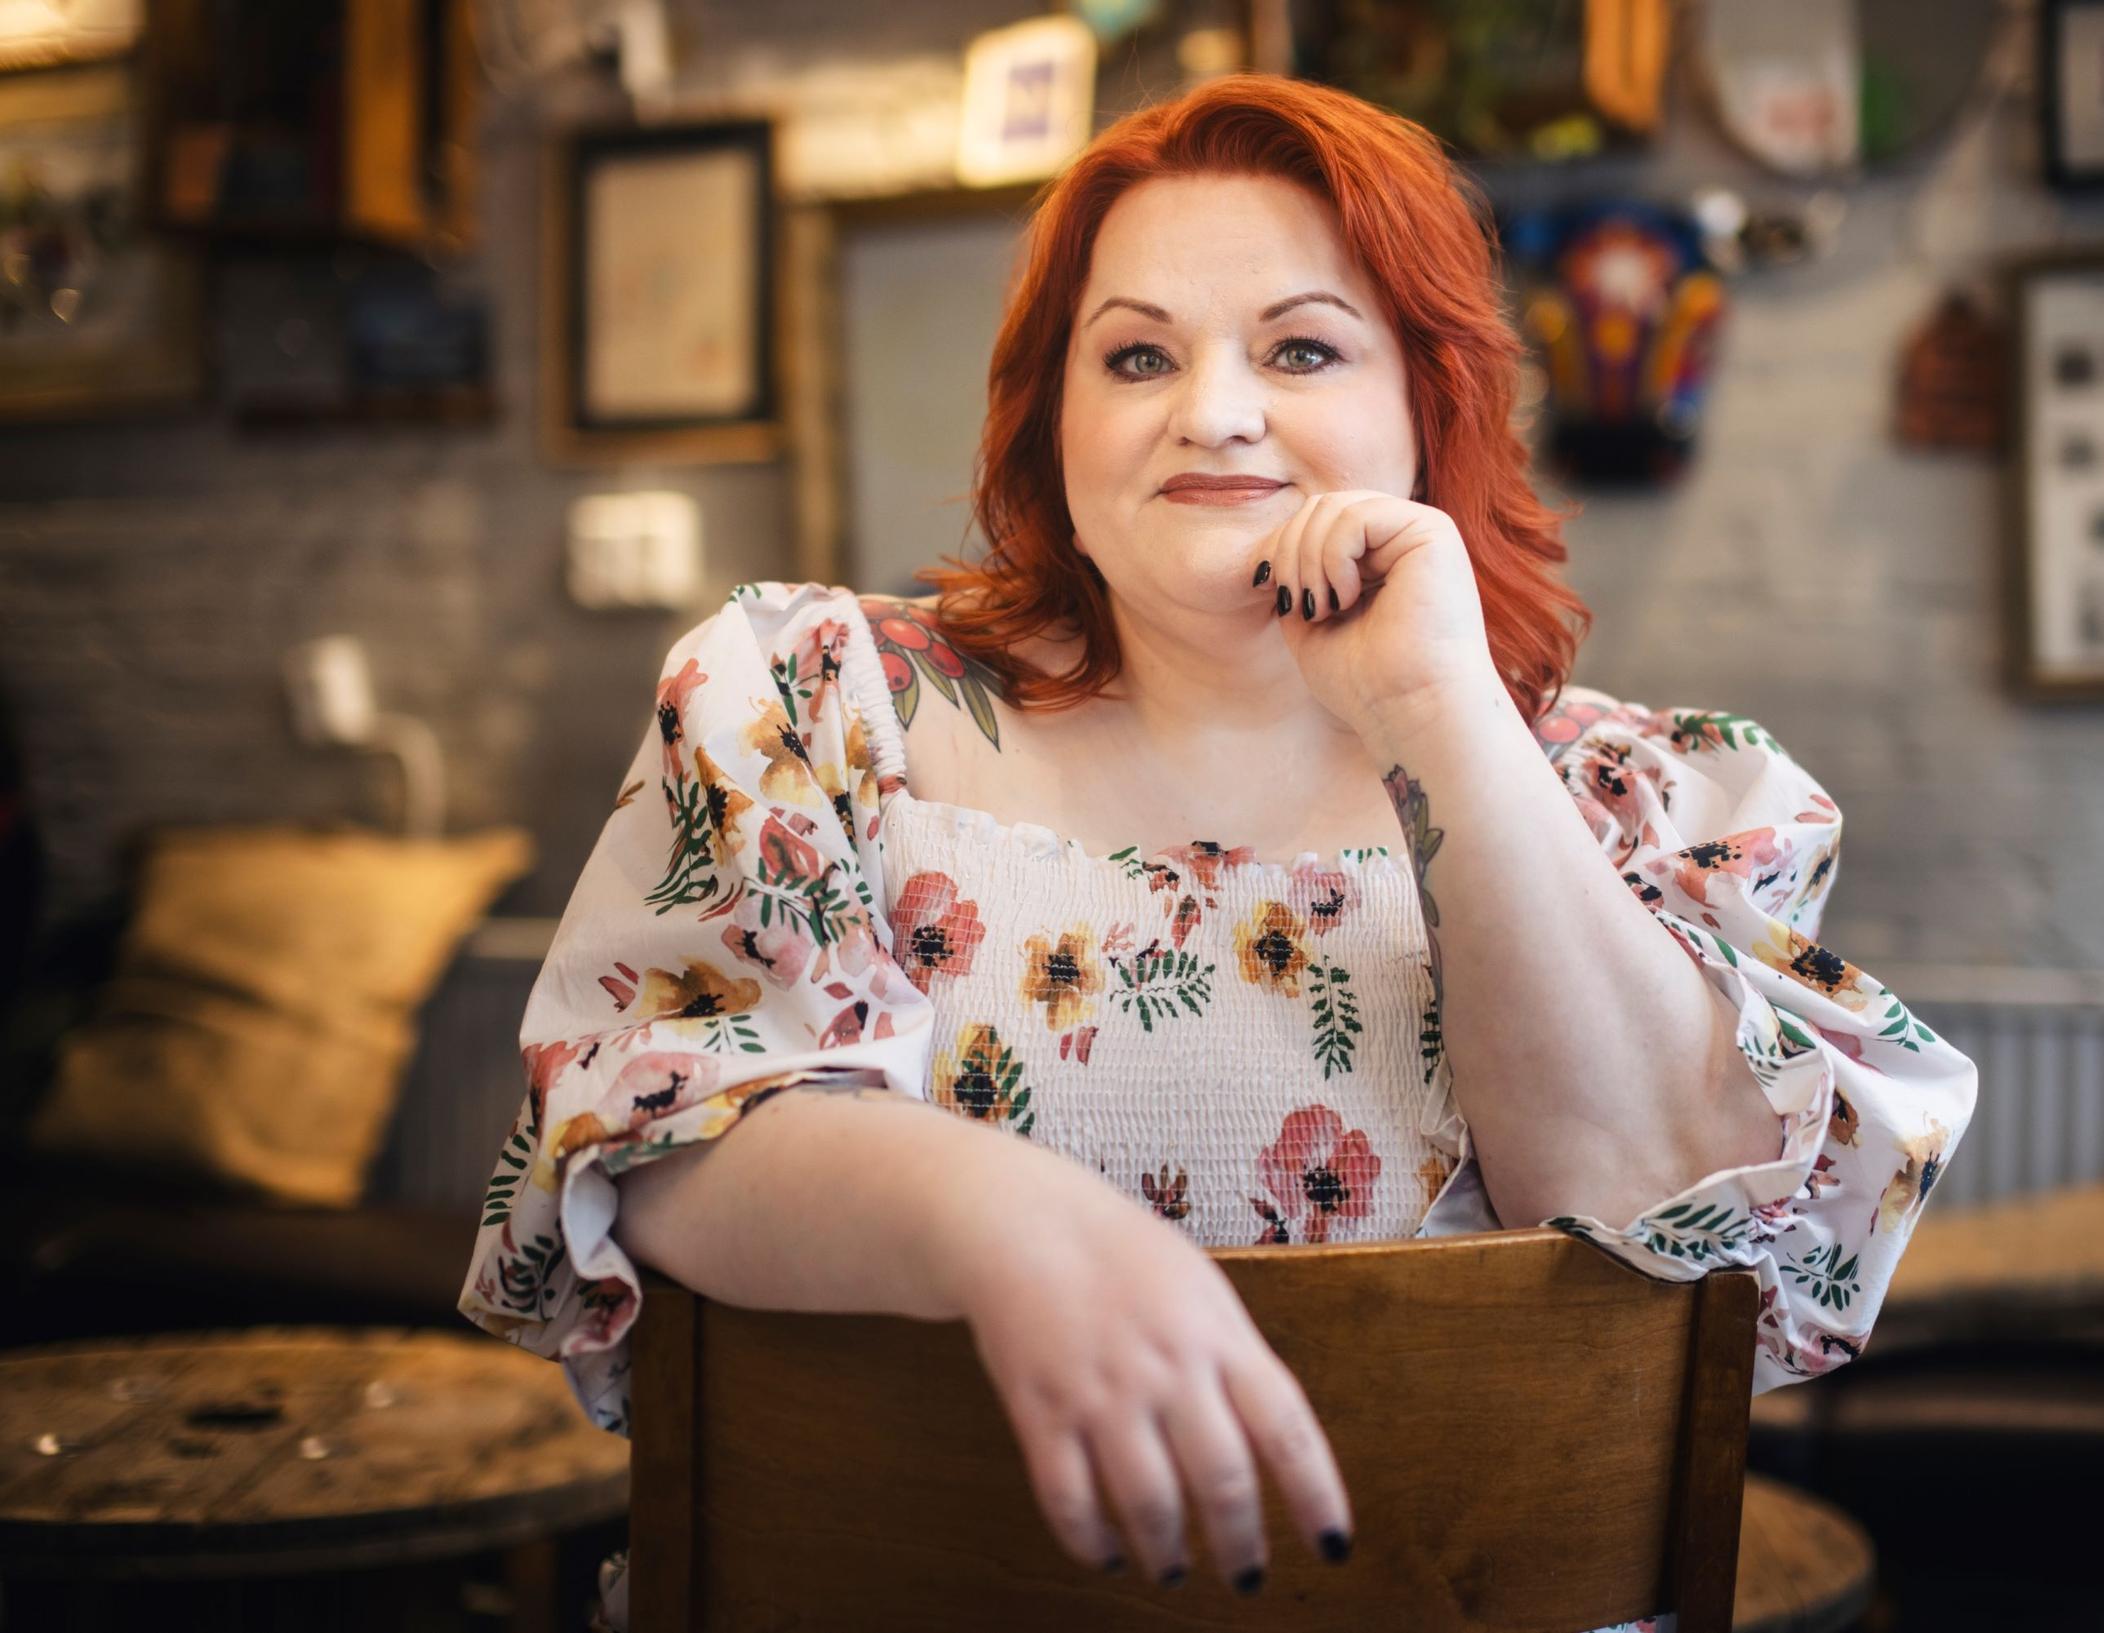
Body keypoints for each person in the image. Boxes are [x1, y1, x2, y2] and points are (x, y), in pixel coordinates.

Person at [458, 73, 1978, 1633]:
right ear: (1053, 421)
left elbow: (1671, 1221)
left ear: (1428, 404)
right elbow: (650, 1140)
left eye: (1301, 348)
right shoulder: (819, 702)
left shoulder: (1631, 797)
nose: (1213, 411)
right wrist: (1013, 1227)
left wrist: (1442, 719)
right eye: (1137, 355)